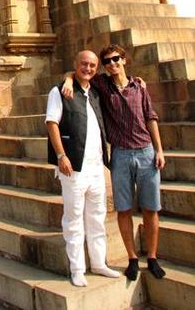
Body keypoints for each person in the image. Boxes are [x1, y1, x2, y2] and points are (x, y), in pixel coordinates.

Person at [61, 44, 166, 280]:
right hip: (120, 154)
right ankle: (131, 258)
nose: (112, 64)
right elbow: (80, 72)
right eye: (107, 61)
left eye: (115, 59)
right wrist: (67, 80)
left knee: (150, 208)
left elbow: (151, 118)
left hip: (146, 152)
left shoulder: (139, 86)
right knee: (124, 208)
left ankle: (152, 257)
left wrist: (159, 150)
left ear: (124, 60)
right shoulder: (102, 85)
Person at [45, 49, 120, 287]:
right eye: (83, 65)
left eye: (92, 66)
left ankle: (99, 263)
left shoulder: (96, 92)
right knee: (74, 218)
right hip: (73, 167)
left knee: (97, 217)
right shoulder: (60, 91)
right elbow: (51, 122)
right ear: (75, 65)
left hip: (96, 167)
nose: (88, 68)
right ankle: (77, 268)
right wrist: (61, 155)